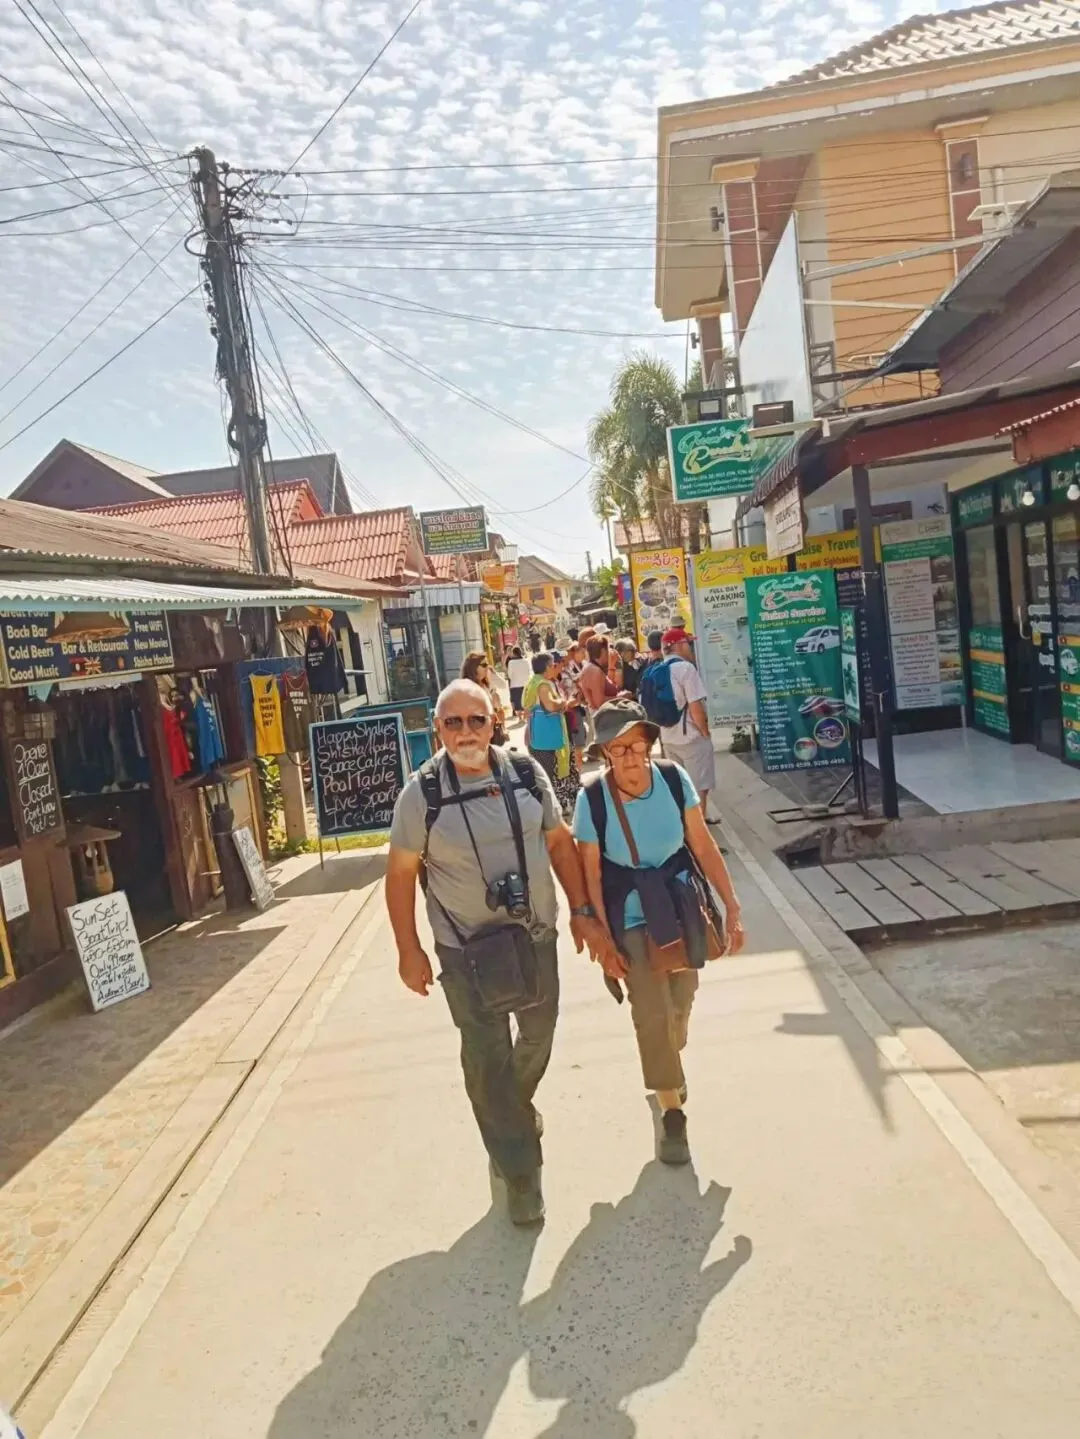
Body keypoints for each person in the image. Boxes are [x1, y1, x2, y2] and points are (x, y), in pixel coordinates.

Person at [386, 679, 606, 1226]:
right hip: (464, 950)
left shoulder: (526, 775)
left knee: (538, 1034)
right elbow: (400, 874)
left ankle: (509, 1114)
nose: (466, 732)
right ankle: (521, 1173)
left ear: (495, 722)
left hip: (533, 935)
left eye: (476, 720)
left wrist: (582, 910)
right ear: (437, 729)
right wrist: (409, 950)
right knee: (485, 1054)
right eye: (453, 722)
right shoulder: (421, 794)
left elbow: (558, 843)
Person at [573, 700, 744, 1164]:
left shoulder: (672, 779)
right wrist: (605, 939)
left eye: (636, 745)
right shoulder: (592, 800)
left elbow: (701, 844)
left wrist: (731, 906)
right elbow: (591, 875)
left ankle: (671, 1054)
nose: (629, 756)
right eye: (618, 748)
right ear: (605, 753)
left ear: (650, 743)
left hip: (679, 905)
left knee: (681, 1002)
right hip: (630, 915)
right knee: (651, 1012)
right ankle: (672, 1113)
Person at [640, 626, 717, 813]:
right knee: (698, 789)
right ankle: (698, 827)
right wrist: (705, 733)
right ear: (679, 645)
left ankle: (684, 825)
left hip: (668, 738)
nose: (691, 648)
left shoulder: (654, 670)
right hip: (691, 738)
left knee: (679, 788)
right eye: (688, 644)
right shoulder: (685, 669)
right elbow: (695, 707)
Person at [523, 653, 580, 817]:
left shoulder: (532, 683)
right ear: (547, 667)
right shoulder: (542, 684)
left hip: (537, 736)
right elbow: (550, 706)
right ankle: (554, 810)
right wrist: (564, 702)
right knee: (550, 775)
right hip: (548, 738)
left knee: (545, 775)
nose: (555, 667)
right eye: (553, 665)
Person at [461, 651, 507, 746]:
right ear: (473, 667)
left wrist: (495, 706)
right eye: (484, 665)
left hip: (489, 730)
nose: (487, 667)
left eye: (488, 664)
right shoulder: (468, 687)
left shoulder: (485, 683)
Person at [578, 635, 617, 715]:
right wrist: (623, 697)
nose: (610, 652)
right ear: (603, 650)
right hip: (602, 718)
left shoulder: (594, 668)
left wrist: (612, 666)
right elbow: (599, 702)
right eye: (608, 649)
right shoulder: (594, 670)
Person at [506, 645, 532, 720]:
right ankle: (526, 717)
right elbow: (528, 672)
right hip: (525, 684)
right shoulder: (525, 661)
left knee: (517, 702)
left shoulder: (511, 662)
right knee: (525, 701)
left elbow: (509, 675)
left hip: (515, 684)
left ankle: (520, 717)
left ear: (514, 653)